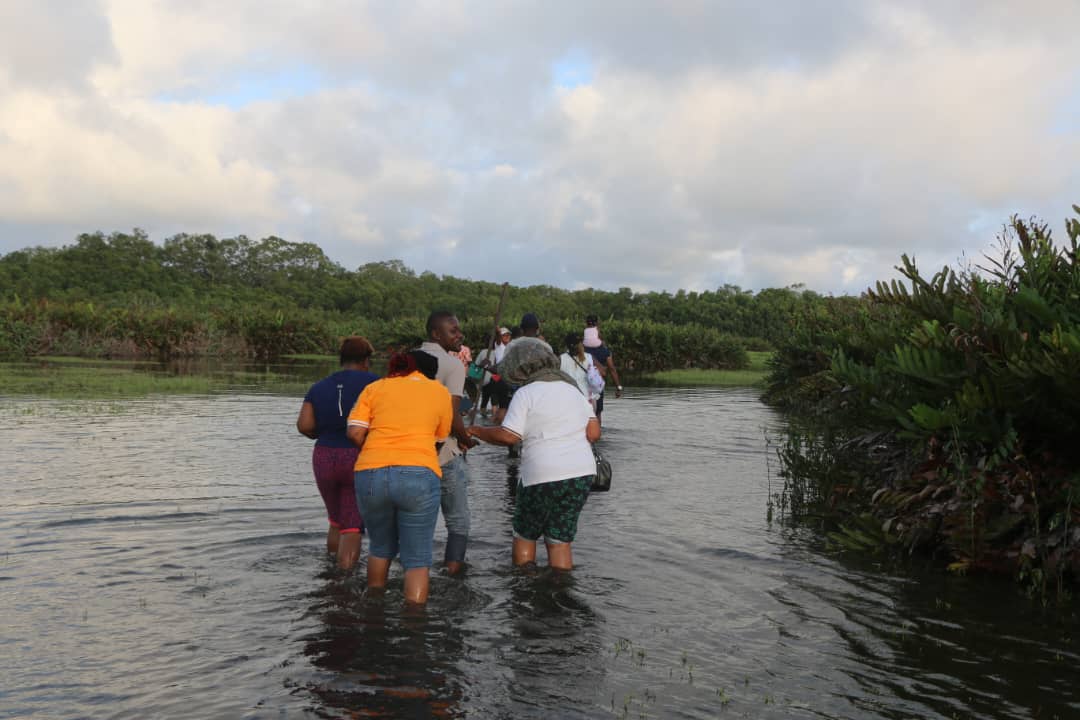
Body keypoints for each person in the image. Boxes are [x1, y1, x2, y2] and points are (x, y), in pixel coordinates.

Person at [468, 338, 600, 570]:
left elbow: (510, 436)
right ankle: (560, 591)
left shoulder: (526, 393)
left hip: (542, 475)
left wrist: (476, 431)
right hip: (581, 475)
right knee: (560, 541)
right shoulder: (573, 390)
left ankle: (523, 591)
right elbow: (594, 432)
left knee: (525, 534)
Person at [346, 350, 452, 605]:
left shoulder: (374, 388)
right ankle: (415, 626)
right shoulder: (438, 391)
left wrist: (375, 452)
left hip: (370, 472)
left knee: (380, 548)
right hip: (418, 472)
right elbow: (440, 438)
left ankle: (373, 607)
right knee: (416, 559)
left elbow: (354, 433)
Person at [296, 336, 380, 570]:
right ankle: (344, 581)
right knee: (352, 525)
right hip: (357, 455)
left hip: (324, 456)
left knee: (335, 521)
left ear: (341, 359)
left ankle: (331, 570)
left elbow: (304, 425)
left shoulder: (319, 386)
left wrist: (323, 435)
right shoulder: (375, 384)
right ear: (366, 360)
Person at [420, 311, 479, 575]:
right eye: (453, 331)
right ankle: (453, 572)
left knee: (417, 520)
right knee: (458, 521)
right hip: (442, 451)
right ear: (436, 334)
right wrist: (467, 439)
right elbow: (453, 414)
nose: (460, 335)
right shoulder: (453, 364)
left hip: (409, 452)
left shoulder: (407, 359)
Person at [584, 315, 623, 425]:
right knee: (597, 413)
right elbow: (612, 369)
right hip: (597, 386)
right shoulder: (604, 350)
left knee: (583, 414)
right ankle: (597, 436)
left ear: (586, 324)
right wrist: (618, 387)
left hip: (583, 386)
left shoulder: (580, 350)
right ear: (598, 324)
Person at [559, 332, 598, 411]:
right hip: (587, 400)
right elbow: (593, 380)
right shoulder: (589, 357)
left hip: (569, 402)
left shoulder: (561, 359)